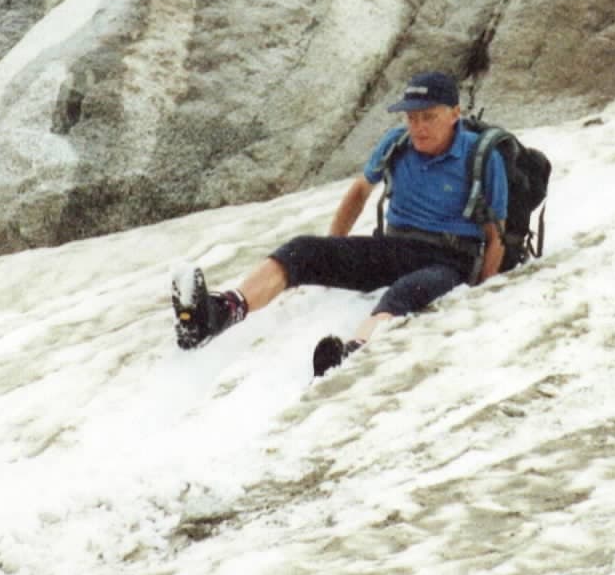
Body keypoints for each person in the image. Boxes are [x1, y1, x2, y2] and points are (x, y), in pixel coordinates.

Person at [171, 70, 508, 374]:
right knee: (302, 251)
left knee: (404, 294)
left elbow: (497, 237)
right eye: (411, 117)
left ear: (454, 114)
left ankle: (351, 354)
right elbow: (359, 192)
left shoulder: (481, 157)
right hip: (394, 246)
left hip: (449, 259)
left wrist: (484, 290)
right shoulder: (397, 144)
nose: (418, 127)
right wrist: (334, 246)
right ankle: (217, 314)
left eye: (429, 117)